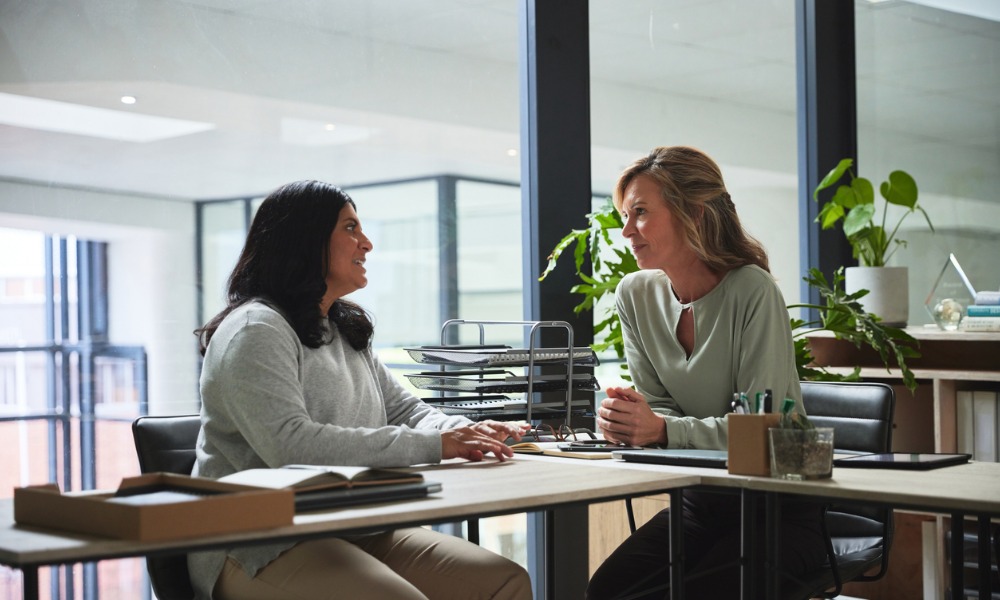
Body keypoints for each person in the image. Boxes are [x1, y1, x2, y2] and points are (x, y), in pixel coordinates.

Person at [188, 180, 533, 600]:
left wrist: (471, 432)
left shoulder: (339, 327)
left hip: (353, 526)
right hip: (258, 542)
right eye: (350, 228)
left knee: (505, 582)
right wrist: (438, 445)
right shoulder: (255, 330)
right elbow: (290, 445)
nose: (366, 243)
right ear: (306, 240)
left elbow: (406, 410)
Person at [586, 147, 825, 599]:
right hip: (702, 503)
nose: (626, 230)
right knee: (609, 591)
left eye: (640, 212)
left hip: (781, 506)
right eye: (624, 214)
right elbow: (660, 411)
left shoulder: (752, 290)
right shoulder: (635, 294)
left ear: (692, 213)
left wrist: (661, 430)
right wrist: (634, 422)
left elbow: (766, 433)